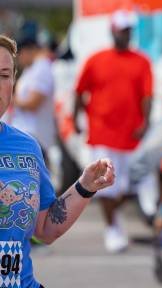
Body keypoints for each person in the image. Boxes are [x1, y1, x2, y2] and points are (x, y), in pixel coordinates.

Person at [0, 34, 115, 288]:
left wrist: (85, 186)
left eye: (4, 75)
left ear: (14, 81)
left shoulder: (27, 148)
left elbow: (45, 229)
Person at [73, 10, 153, 253]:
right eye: (121, 30)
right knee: (104, 184)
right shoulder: (96, 60)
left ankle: (115, 223)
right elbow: (79, 91)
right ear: (112, 31)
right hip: (102, 133)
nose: (124, 35)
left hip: (130, 135)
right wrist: (76, 117)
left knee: (129, 185)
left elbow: (147, 95)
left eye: (128, 31)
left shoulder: (141, 61)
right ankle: (112, 230)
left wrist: (145, 122)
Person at [11, 29, 56, 157]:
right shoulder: (32, 68)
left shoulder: (41, 69)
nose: (18, 59)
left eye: (19, 54)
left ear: (27, 51)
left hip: (35, 136)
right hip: (26, 133)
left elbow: (33, 103)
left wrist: (10, 100)